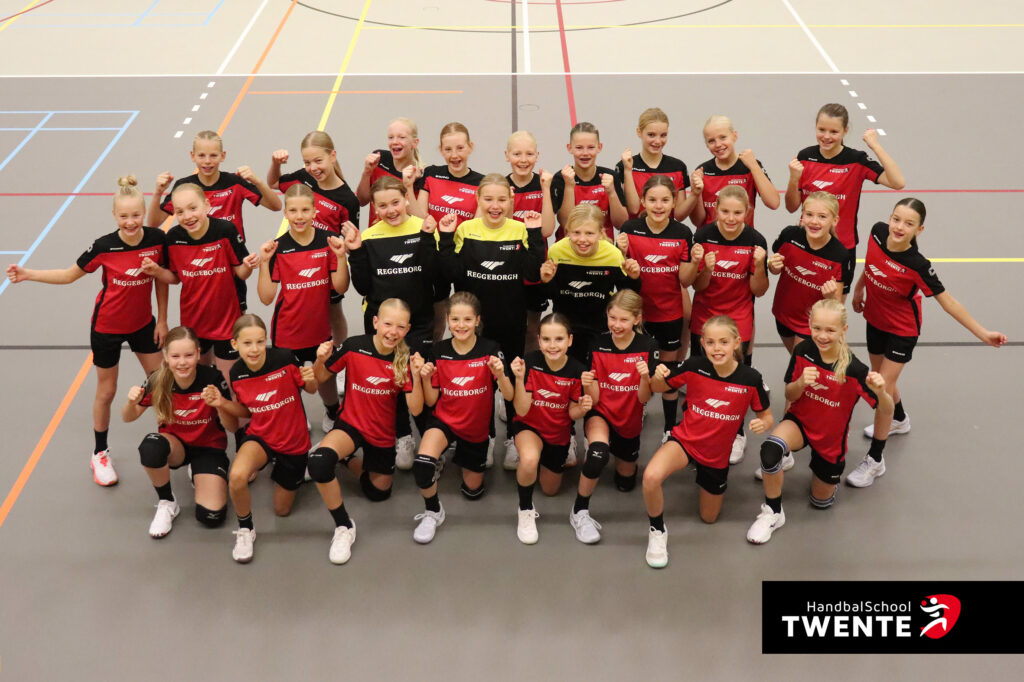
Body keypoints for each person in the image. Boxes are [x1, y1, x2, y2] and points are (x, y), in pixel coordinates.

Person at [6, 175, 168, 486]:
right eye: (124, 216)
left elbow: (162, 280)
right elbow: (69, 275)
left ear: (143, 212)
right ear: (114, 215)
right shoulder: (104, 246)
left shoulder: (156, 240)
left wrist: (161, 319)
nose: (131, 222)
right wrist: (28, 274)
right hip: (107, 326)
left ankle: (174, 439)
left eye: (136, 215)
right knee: (107, 391)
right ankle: (100, 453)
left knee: (162, 383)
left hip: (143, 324)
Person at [850, 198, 1007, 484]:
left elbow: (949, 303)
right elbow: (870, 265)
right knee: (882, 379)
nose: (899, 227)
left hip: (902, 330)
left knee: (882, 389)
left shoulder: (918, 265)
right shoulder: (876, 232)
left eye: (909, 223)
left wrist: (983, 333)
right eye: (896, 219)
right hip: (875, 319)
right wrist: (859, 289)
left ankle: (875, 459)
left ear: (919, 230)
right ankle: (899, 420)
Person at [746, 299, 893, 544]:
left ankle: (829, 481)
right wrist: (801, 383)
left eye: (830, 330)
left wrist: (882, 392)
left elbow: (886, 410)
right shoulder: (803, 351)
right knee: (770, 452)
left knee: (820, 503)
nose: (822, 336)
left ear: (843, 330)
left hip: (829, 439)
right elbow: (790, 394)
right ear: (809, 325)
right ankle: (773, 512)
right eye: (817, 328)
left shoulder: (855, 370)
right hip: (799, 424)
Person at [645, 315, 772, 568]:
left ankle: (705, 478)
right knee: (650, 477)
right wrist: (658, 376)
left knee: (709, 518)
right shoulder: (694, 366)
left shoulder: (750, 378)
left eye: (724, 342)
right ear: (702, 343)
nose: (717, 348)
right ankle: (657, 531)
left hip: (716, 456)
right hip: (685, 442)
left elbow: (766, 416)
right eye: (711, 342)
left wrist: (763, 424)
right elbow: (657, 388)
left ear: (736, 342)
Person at [435, 173, 545, 465]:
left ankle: (513, 438)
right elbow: (451, 273)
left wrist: (535, 233)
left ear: (510, 200)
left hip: (510, 322)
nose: (495, 206)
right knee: (478, 386)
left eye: (501, 200)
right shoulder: (466, 230)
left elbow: (532, 273)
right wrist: (445, 238)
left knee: (510, 378)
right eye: (488, 199)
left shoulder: (519, 230)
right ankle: (482, 436)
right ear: (478, 200)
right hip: (473, 328)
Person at [309, 298, 414, 563]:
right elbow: (320, 378)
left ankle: (346, 459)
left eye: (400, 327)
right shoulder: (354, 346)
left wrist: (419, 376)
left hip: (381, 434)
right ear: (375, 322)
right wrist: (320, 359)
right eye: (387, 323)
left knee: (378, 492)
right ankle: (344, 526)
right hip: (351, 425)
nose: (392, 332)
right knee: (319, 463)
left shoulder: (406, 359)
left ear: (407, 329)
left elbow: (416, 407)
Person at [206, 315, 318, 564]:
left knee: (282, 510)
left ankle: (304, 464)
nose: (254, 349)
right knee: (237, 476)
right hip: (261, 435)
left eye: (259, 341)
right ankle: (246, 529)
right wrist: (221, 403)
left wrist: (311, 378)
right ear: (235, 344)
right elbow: (247, 412)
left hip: (293, 441)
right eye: (247, 343)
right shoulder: (237, 373)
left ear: (266, 339)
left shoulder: (285, 358)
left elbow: (311, 389)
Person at [405, 292, 514, 543]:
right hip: (444, 421)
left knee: (473, 492)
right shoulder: (439, 350)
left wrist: (501, 375)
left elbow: (509, 395)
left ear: (477, 320)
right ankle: (433, 511)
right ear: (447, 320)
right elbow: (431, 401)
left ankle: (468, 452)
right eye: (455, 319)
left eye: (467, 319)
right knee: (422, 465)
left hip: (476, 427)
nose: (461, 325)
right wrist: (424, 377)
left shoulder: (491, 349)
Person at [346, 176, 440, 468]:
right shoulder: (369, 236)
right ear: (374, 208)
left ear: (406, 200)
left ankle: (430, 441)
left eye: (395, 202)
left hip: (418, 323)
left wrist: (428, 238)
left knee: (418, 378)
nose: (391, 210)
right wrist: (356, 252)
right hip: (381, 326)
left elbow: (434, 277)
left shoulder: (424, 228)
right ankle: (403, 436)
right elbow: (363, 286)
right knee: (392, 381)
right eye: (383, 206)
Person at [121, 326, 237, 537]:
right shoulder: (158, 380)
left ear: (198, 354)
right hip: (176, 446)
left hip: (209, 448)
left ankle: (199, 470)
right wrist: (130, 402)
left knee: (211, 516)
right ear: (166, 356)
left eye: (188, 355)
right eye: (175, 356)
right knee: (151, 447)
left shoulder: (212, 377)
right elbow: (128, 417)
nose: (182, 362)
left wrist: (220, 404)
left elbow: (232, 427)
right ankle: (167, 502)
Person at [148, 130, 280, 311]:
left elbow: (276, 206)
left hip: (232, 264)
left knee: (236, 315)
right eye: (201, 155)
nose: (207, 161)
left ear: (223, 156)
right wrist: (157, 193)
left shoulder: (235, 183)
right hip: (199, 267)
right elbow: (154, 223)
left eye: (213, 155)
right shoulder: (184, 187)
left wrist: (257, 181)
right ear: (192, 156)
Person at [255, 183, 350, 433]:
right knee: (291, 380)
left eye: (305, 210)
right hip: (288, 332)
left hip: (319, 329)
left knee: (325, 377)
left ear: (314, 212)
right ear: (285, 213)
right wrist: (264, 262)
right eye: (293, 211)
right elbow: (266, 297)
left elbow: (340, 287)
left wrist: (341, 257)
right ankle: (297, 414)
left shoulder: (327, 242)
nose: (299, 216)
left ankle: (332, 411)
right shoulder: (278, 248)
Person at [141, 183, 257, 387]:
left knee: (229, 383)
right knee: (200, 380)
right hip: (194, 322)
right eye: (180, 212)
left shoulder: (225, 230)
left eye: (193, 208)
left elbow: (241, 272)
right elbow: (175, 277)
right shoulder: (173, 239)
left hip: (227, 322)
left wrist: (249, 266)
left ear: (207, 205)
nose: (187, 216)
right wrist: (157, 271)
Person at [615, 175, 697, 436]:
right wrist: (622, 254)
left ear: (674, 202)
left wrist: (696, 263)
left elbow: (685, 280)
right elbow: (620, 279)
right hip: (637, 316)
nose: (659, 206)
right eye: (652, 200)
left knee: (667, 374)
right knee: (635, 370)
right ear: (642, 201)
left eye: (665, 200)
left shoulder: (682, 233)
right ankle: (633, 416)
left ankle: (669, 428)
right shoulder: (629, 229)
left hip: (669, 314)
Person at [575, 290, 658, 543]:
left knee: (625, 483)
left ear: (637, 319)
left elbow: (644, 398)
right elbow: (594, 399)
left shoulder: (648, 346)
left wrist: (645, 377)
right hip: (601, 411)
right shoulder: (597, 343)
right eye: (612, 318)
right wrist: (587, 383)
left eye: (624, 319)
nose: (617, 325)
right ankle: (579, 511)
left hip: (630, 416)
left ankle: (622, 458)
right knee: (598, 454)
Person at [509, 313, 597, 545]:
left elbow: (571, 413)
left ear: (570, 340)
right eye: (546, 339)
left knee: (550, 489)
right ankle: (525, 509)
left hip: (557, 433)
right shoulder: (529, 362)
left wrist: (582, 408)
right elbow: (521, 409)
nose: (552, 345)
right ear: (538, 340)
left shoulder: (577, 370)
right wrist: (518, 379)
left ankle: (542, 460)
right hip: (529, 426)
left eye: (559, 339)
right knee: (529, 459)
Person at [268, 130, 360, 345]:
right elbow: (273, 183)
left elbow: (350, 242)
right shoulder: (303, 178)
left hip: (327, 267)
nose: (313, 168)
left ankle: (338, 352)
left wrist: (345, 244)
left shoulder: (347, 199)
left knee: (334, 310)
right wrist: (276, 164)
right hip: (299, 260)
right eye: (307, 162)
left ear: (333, 156)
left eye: (318, 161)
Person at [784, 103, 905, 260]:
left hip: (842, 247)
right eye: (821, 130)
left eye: (834, 132)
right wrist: (793, 179)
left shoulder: (856, 160)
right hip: (806, 243)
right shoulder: (805, 157)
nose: (826, 136)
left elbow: (898, 182)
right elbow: (791, 207)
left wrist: (875, 145)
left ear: (845, 130)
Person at [410, 122, 484, 342]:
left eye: (460, 148)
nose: (454, 155)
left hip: (463, 256)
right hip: (434, 254)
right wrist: (407, 188)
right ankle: (435, 354)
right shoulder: (432, 174)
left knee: (466, 313)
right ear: (441, 150)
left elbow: (476, 226)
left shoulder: (481, 183)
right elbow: (420, 217)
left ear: (470, 147)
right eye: (448, 149)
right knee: (436, 314)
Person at [540, 204, 641, 365]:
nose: (582, 239)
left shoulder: (612, 255)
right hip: (565, 329)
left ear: (601, 233)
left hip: (599, 329)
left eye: (589, 233)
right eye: (576, 233)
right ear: (567, 232)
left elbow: (627, 295)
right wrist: (546, 281)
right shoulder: (557, 251)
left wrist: (633, 278)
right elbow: (550, 295)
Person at [769, 191, 852, 353]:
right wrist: (773, 267)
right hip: (782, 313)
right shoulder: (789, 235)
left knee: (800, 361)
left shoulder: (839, 255)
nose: (814, 221)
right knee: (796, 358)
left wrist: (830, 296)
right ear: (802, 216)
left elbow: (836, 304)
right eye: (809, 214)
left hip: (811, 323)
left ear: (834, 221)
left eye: (822, 216)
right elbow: (775, 267)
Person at [505, 130, 557, 353]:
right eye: (517, 154)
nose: (523, 160)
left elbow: (547, 230)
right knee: (509, 327)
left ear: (537, 155)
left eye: (529, 154)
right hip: (509, 268)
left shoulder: (544, 185)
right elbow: (505, 231)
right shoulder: (502, 186)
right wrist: (508, 202)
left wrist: (546, 189)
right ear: (507, 155)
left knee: (532, 329)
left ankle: (529, 372)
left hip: (535, 268)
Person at [690, 115, 779, 228]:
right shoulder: (702, 171)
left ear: (735, 136)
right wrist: (696, 194)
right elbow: (698, 222)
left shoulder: (750, 165)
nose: (718, 144)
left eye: (723, 137)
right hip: (710, 238)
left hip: (743, 237)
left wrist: (754, 166)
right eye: (711, 141)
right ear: (706, 144)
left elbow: (773, 203)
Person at [616, 107, 697, 221]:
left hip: (668, 231)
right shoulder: (624, 165)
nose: (658, 141)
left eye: (663, 135)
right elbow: (633, 209)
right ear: (639, 132)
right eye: (651, 135)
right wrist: (628, 171)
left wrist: (695, 194)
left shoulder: (678, 167)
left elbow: (679, 215)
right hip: (635, 231)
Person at [550, 121, 628, 239]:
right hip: (570, 247)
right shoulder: (561, 178)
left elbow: (621, 224)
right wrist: (569, 187)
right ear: (569, 148)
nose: (585, 153)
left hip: (603, 247)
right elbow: (566, 224)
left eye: (591, 147)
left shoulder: (610, 177)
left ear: (599, 147)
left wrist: (612, 193)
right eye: (579, 148)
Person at [356, 117, 422, 226]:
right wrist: (367, 173)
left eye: (402, 137)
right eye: (391, 137)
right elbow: (361, 201)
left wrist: (409, 186)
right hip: (376, 233)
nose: (395, 142)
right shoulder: (379, 159)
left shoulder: (418, 176)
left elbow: (418, 221)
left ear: (415, 143)